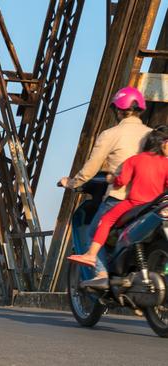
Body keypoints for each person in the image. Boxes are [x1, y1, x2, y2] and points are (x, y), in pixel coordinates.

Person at [58, 86, 152, 278]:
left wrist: (71, 182)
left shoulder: (111, 134)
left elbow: (91, 168)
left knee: (95, 232)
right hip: (152, 198)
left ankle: (101, 274)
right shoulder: (152, 135)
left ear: (118, 110)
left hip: (121, 196)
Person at [67, 127, 168, 287]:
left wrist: (111, 178)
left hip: (134, 203)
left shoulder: (135, 160)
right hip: (154, 205)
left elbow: (122, 181)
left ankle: (92, 254)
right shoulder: (166, 163)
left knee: (106, 220)